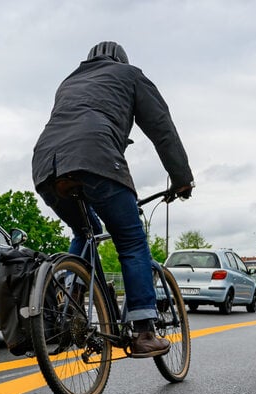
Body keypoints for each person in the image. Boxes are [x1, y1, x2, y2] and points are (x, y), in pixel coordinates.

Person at [32, 41, 194, 358]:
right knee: (131, 240)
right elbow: (162, 128)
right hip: (96, 157)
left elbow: (78, 123)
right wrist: (182, 179)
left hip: (46, 164)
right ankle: (144, 330)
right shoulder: (130, 75)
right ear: (120, 60)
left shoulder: (69, 81)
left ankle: (71, 302)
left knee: (85, 230)